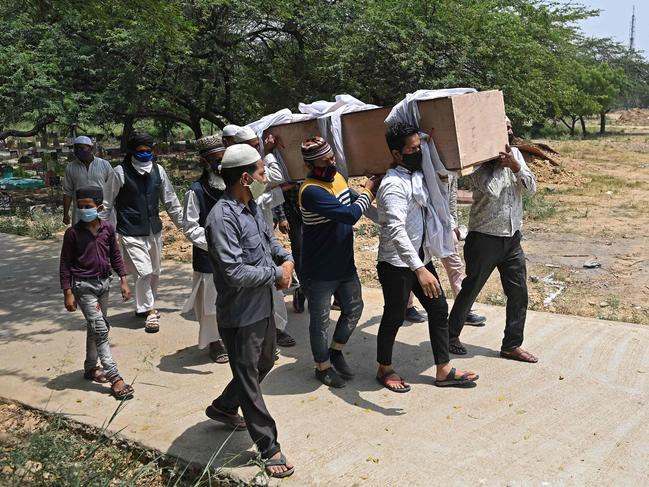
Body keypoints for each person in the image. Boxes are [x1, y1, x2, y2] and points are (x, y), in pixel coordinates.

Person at [204, 143, 295, 478]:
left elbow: (267, 241)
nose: (264, 175)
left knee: (265, 362)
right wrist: (277, 274)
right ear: (245, 177)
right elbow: (234, 272)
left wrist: (284, 258)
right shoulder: (221, 219)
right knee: (249, 380)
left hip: (263, 306)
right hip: (240, 315)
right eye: (260, 170)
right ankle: (268, 446)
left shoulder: (252, 205)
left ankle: (224, 406)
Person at [375, 123, 479, 392]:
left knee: (438, 309)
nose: (418, 152)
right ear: (397, 154)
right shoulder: (392, 185)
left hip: (419, 258)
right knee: (394, 315)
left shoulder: (416, 175)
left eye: (419, 147)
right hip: (397, 264)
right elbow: (396, 231)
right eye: (412, 149)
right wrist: (419, 269)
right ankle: (384, 368)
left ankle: (443, 370)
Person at [448, 117, 538, 363]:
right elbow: (492, 190)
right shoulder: (477, 164)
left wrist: (516, 166)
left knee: (519, 293)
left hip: (512, 238)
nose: (509, 130)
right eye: (503, 126)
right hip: (484, 238)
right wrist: (501, 165)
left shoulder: (517, 154)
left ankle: (511, 345)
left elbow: (531, 188)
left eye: (510, 126)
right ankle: (450, 335)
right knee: (471, 290)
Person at [299, 136, 380, 388]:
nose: (331, 164)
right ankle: (322, 366)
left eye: (332, 158)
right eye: (325, 161)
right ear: (310, 166)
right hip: (319, 270)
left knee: (354, 308)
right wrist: (370, 189)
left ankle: (335, 351)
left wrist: (382, 216)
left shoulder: (337, 178)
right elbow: (349, 215)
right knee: (320, 321)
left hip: (344, 264)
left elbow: (350, 197)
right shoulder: (311, 191)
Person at [100, 132, 184, 333]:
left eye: (149, 151)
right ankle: (150, 312)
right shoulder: (119, 172)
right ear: (132, 152)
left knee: (154, 273)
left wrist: (185, 226)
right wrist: (98, 232)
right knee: (144, 272)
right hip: (130, 231)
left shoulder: (159, 171)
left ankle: (143, 307)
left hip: (153, 230)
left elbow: (171, 201)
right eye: (141, 151)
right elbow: (106, 204)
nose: (145, 154)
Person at [60, 186, 134, 400]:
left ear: (99, 207)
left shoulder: (108, 229)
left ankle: (90, 367)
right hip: (83, 287)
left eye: (88, 206)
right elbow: (65, 264)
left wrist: (123, 280)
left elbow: (115, 255)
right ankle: (115, 377)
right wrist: (68, 291)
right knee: (101, 329)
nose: (83, 210)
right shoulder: (72, 233)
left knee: (96, 326)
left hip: (104, 284)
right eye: (80, 206)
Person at [234, 125, 297, 348]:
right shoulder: (243, 175)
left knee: (273, 286)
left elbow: (264, 198)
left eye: (257, 145)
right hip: (244, 241)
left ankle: (277, 329)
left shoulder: (254, 170)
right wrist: (268, 153)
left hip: (263, 234)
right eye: (252, 147)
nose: (256, 150)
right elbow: (269, 187)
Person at [181, 135, 228, 363]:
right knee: (210, 304)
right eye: (214, 160)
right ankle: (213, 342)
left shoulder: (236, 183)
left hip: (236, 255)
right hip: (209, 255)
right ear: (204, 162)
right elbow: (190, 227)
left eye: (223, 159)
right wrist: (216, 243)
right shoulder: (195, 191)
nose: (219, 165)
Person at [440, 173, 487, 326]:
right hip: (426, 224)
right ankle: (406, 306)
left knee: (455, 267)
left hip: (445, 227)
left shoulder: (450, 170)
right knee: (416, 265)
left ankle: (463, 311)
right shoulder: (424, 165)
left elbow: (451, 198)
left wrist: (454, 225)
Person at [62, 136, 114, 225]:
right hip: (81, 211)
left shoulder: (104, 165)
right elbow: (67, 192)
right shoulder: (70, 167)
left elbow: (113, 188)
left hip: (101, 210)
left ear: (91, 148)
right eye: (76, 148)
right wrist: (65, 214)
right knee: (81, 237)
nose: (79, 151)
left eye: (82, 148)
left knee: (103, 234)